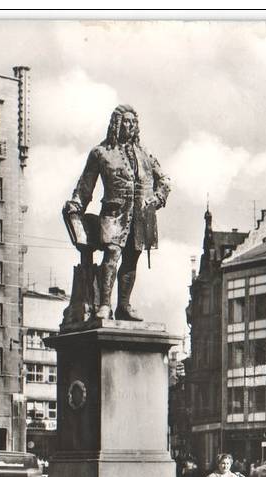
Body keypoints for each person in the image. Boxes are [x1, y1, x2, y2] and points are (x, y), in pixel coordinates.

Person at [64, 104, 171, 321]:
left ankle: (124, 305)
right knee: (112, 254)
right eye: (125, 122)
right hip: (114, 212)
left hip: (142, 216)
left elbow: (165, 181)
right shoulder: (101, 153)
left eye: (133, 122)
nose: (130, 126)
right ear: (115, 124)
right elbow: (86, 185)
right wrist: (76, 204)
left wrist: (157, 198)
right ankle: (104, 304)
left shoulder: (145, 154)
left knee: (132, 258)